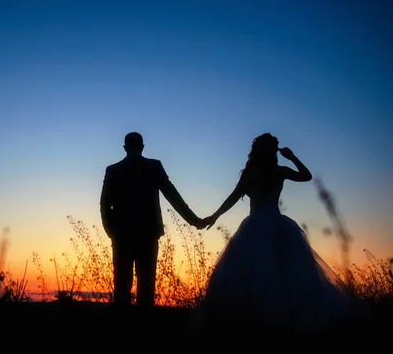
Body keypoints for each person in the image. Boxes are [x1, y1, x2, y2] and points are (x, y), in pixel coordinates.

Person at [194, 133, 367, 337]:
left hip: (258, 225)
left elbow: (234, 196)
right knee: (281, 273)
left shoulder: (257, 172)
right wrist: (292, 157)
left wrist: (215, 216)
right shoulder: (278, 171)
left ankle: (260, 322)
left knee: (263, 272)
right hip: (276, 225)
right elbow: (306, 175)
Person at [100, 131, 202, 310]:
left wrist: (111, 231)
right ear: (142, 147)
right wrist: (194, 220)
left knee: (122, 285)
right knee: (146, 284)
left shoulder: (113, 170)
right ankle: (146, 327)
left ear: (124, 148)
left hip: (121, 235)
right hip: (148, 233)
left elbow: (104, 204)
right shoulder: (154, 166)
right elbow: (173, 196)